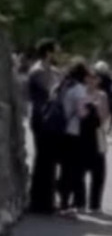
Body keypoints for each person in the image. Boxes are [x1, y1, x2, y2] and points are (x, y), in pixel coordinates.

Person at [26, 38, 60, 214]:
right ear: (48, 52)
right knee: (43, 160)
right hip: (41, 119)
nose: (57, 54)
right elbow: (50, 92)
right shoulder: (39, 71)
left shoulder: (50, 70)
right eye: (55, 51)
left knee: (48, 160)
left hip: (49, 119)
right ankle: (39, 202)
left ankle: (46, 201)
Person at [56, 59, 90, 215]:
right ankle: (66, 204)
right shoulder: (79, 89)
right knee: (72, 169)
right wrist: (91, 107)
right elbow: (82, 113)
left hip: (61, 130)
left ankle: (62, 201)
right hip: (74, 131)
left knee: (64, 168)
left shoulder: (63, 86)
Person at [82, 67, 111, 213]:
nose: (91, 81)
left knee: (99, 170)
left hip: (98, 133)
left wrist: (96, 106)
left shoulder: (102, 95)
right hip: (81, 134)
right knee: (79, 169)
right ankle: (79, 201)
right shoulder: (80, 92)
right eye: (89, 77)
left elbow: (104, 116)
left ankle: (95, 203)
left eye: (94, 78)